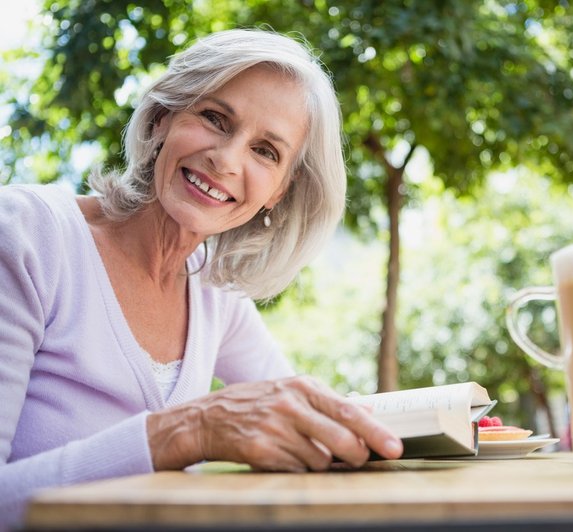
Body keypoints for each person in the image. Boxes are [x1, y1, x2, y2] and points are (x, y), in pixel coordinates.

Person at [0, 29, 403, 528]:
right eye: (215, 119)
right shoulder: (27, 233)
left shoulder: (214, 294)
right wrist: (184, 431)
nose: (227, 160)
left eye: (266, 152)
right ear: (164, 117)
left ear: (279, 191)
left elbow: (312, 411)